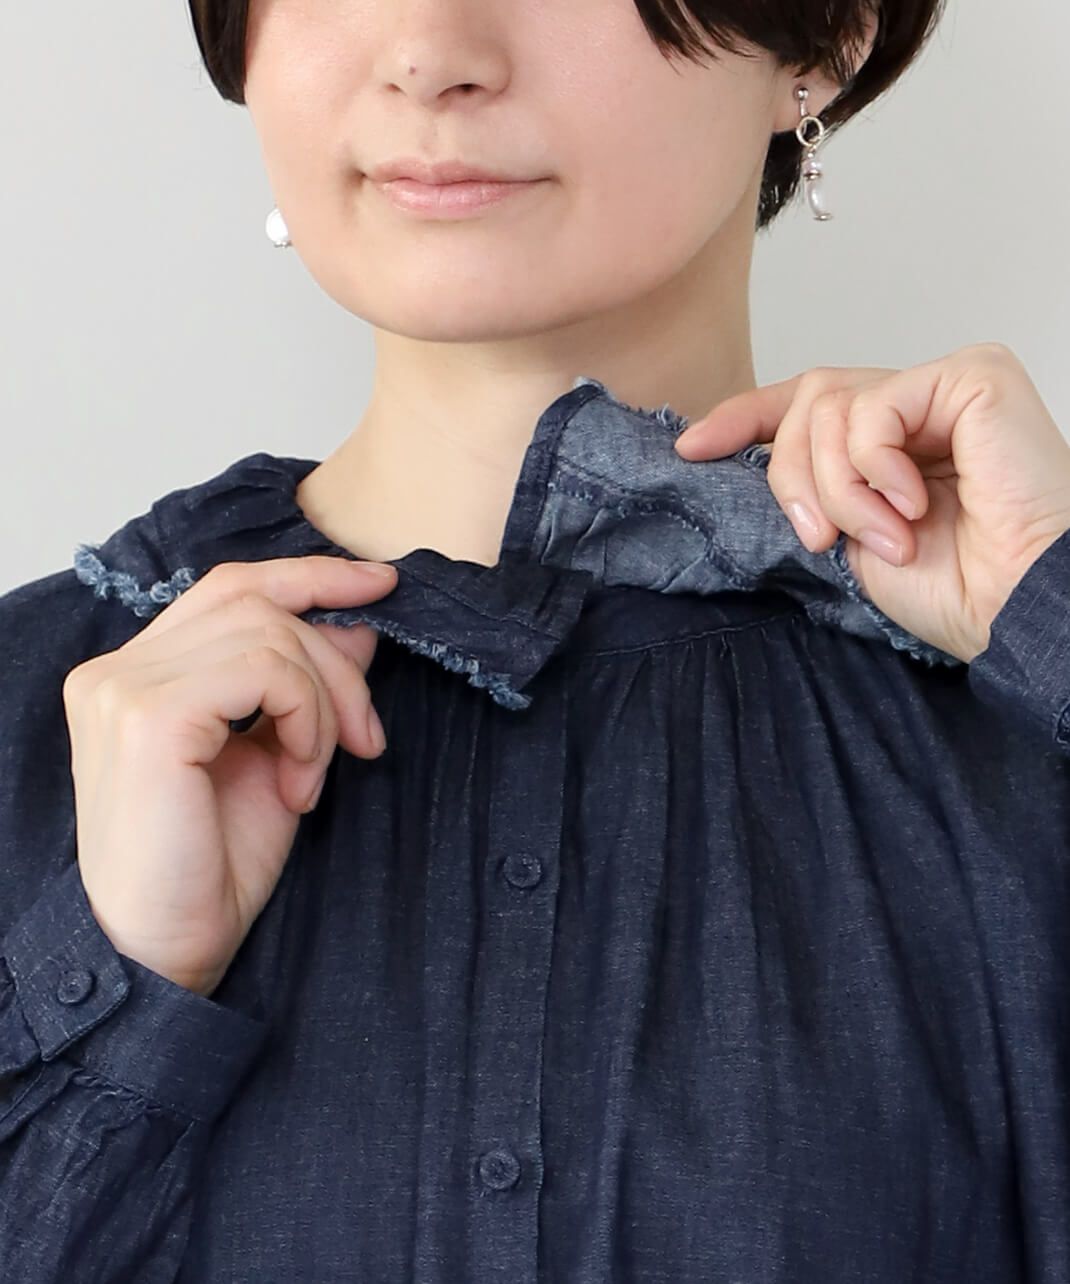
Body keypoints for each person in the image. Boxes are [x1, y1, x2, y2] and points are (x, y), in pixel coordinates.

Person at [5, 1, 1070, 1280]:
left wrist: (1053, 609)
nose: (426, 54)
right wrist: (111, 990)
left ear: (825, 36)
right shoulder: (37, 707)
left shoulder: (1018, 710)